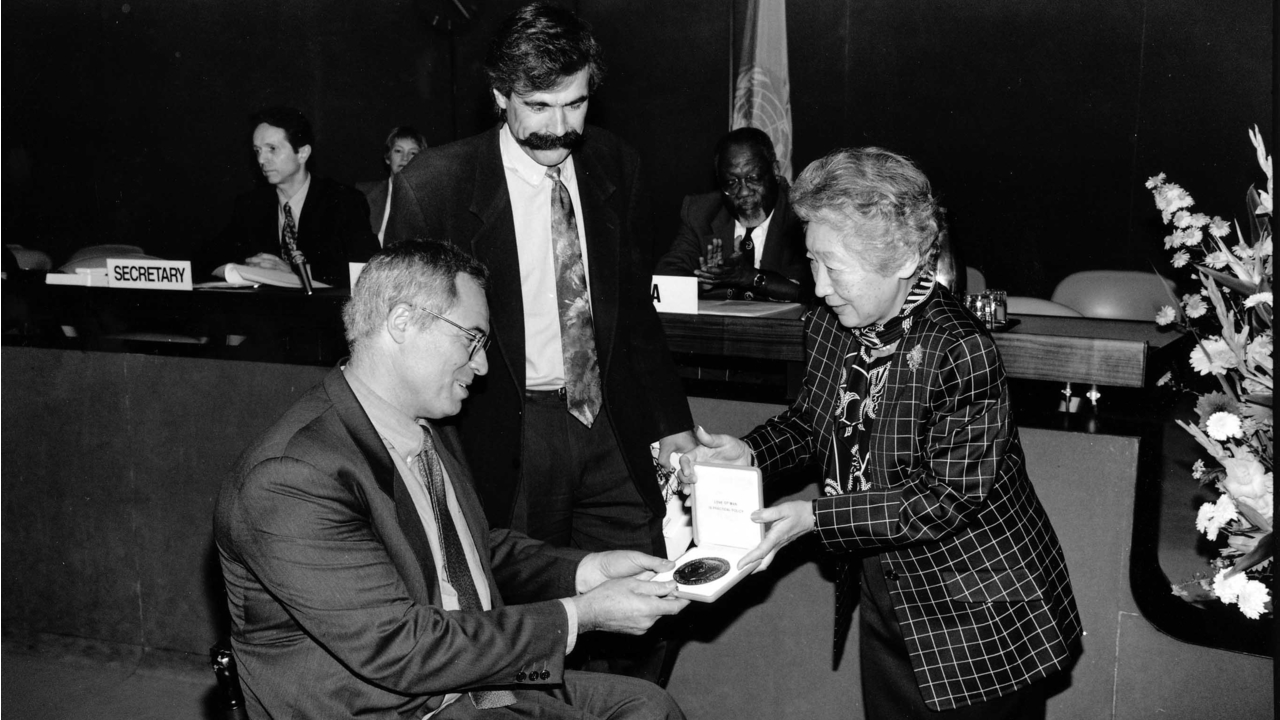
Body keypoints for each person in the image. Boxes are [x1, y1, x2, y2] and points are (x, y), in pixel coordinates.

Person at [677, 148, 1081, 718]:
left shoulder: (959, 347)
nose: (817, 288)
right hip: (886, 588)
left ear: (903, 260)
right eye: (812, 262)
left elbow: (945, 498)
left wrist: (814, 518)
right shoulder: (831, 320)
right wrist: (750, 450)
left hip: (978, 610)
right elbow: (812, 420)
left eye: (832, 267)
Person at [214, 240, 689, 719]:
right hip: (399, 704)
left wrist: (589, 572)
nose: (482, 366)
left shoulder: (422, 426)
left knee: (647, 705)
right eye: (472, 339)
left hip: (468, 681)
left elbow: (473, 553)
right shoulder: (290, 478)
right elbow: (403, 650)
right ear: (402, 323)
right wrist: (582, 615)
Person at [385, 2, 696, 682]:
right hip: (505, 429)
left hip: (608, 425)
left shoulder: (618, 164)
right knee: (525, 607)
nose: (560, 128)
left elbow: (634, 319)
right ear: (500, 96)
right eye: (538, 105)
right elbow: (401, 349)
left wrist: (675, 428)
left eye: (576, 103)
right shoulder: (434, 188)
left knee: (653, 595)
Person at [196, 107, 379, 287]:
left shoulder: (343, 201)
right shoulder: (250, 205)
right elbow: (210, 257)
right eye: (257, 150)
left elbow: (367, 270)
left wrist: (295, 271)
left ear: (303, 153)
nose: (261, 159)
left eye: (272, 149)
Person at [654, 127, 811, 302]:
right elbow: (665, 275)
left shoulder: (800, 214)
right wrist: (703, 281)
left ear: (774, 171)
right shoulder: (701, 213)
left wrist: (752, 278)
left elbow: (810, 291)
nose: (743, 192)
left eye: (753, 178)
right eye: (731, 182)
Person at [357, 126, 427, 244]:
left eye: (413, 153)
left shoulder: (430, 199)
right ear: (387, 157)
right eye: (398, 151)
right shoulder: (364, 193)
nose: (405, 158)